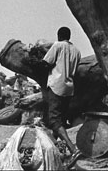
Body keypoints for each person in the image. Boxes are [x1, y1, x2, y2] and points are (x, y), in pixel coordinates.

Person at [41, 26, 82, 162]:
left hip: (56, 86)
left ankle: (73, 149)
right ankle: (54, 149)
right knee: (61, 120)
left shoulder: (57, 46)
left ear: (59, 35)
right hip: (69, 88)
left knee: (54, 120)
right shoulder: (77, 51)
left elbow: (46, 63)